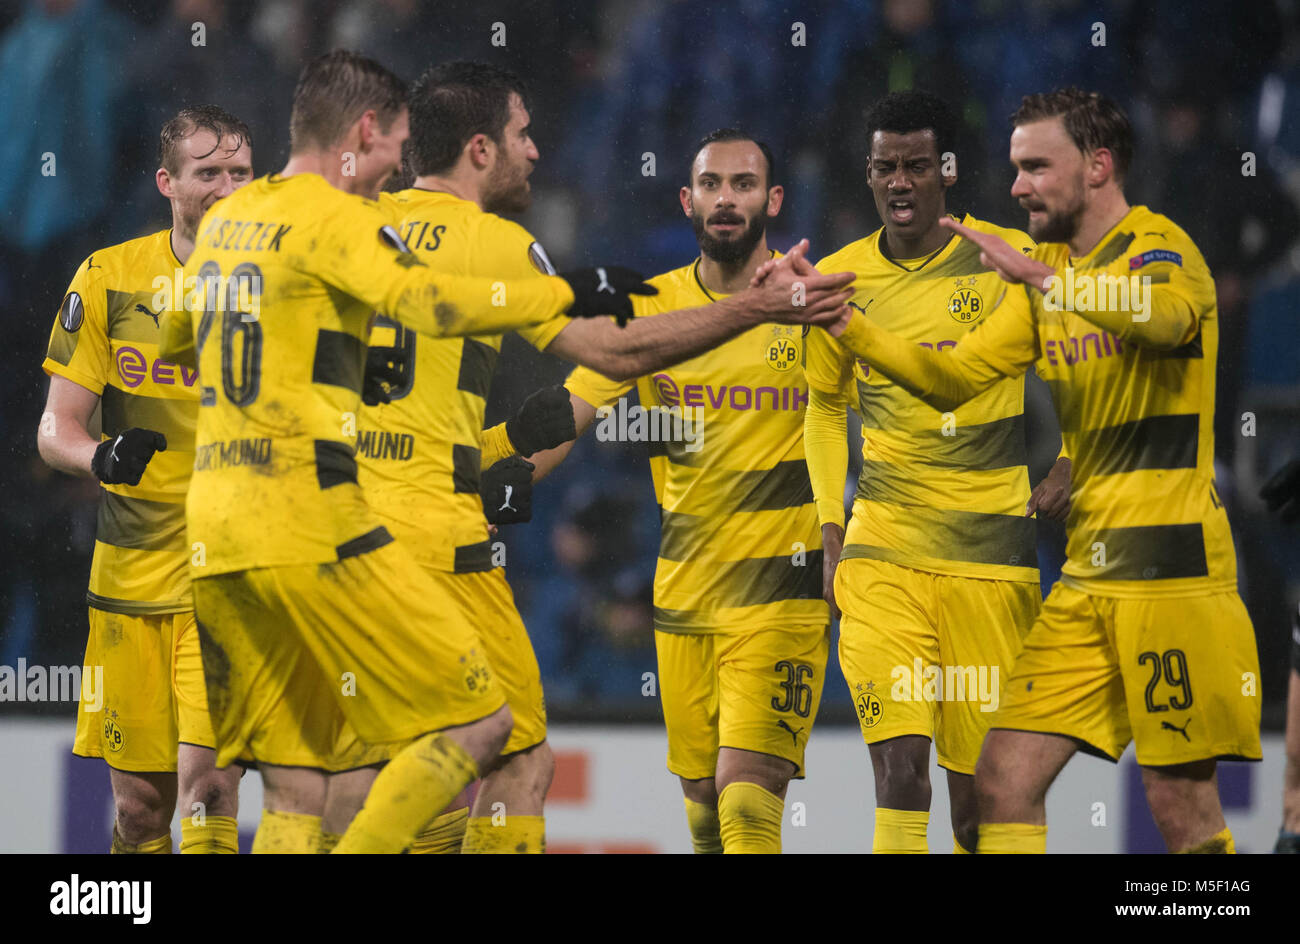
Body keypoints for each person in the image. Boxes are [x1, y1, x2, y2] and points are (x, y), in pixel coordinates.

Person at [325, 63, 854, 854]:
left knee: (390, 761)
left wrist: (502, 458)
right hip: (448, 539)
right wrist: (757, 308)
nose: (536, 152)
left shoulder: (355, 225)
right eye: (521, 134)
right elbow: (608, 357)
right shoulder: (503, 244)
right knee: (519, 758)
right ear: (479, 149)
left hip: (343, 533)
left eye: (745, 183)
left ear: (773, 200)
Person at [158, 49, 656, 854]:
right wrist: (571, 292)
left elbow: (182, 344)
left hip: (219, 531)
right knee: (493, 740)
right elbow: (432, 301)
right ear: (364, 131)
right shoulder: (354, 223)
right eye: (390, 141)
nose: (396, 162)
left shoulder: (235, 228)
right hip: (339, 528)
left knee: (295, 782)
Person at [792, 88, 1261, 853]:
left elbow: (1167, 319)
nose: (1016, 187)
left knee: (1178, 807)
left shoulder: (1158, 247)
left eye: (1036, 167)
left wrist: (1050, 283)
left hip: (1169, 576)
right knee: (1002, 776)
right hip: (1083, 583)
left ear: (1098, 166)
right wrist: (849, 324)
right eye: (1014, 168)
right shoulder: (1037, 272)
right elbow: (949, 379)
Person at [514, 129, 834, 853]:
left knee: (749, 801)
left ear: (773, 200)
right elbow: (569, 417)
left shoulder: (810, 304)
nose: (728, 199)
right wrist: (477, 483)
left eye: (745, 185)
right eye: (714, 185)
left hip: (784, 593)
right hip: (686, 593)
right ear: (687, 200)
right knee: (704, 805)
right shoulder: (649, 309)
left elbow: (876, 413)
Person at [803, 90, 1068, 854]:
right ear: (868, 175)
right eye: (885, 166)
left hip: (992, 565)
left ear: (947, 172)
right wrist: (829, 526)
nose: (900, 182)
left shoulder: (1004, 261)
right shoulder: (838, 279)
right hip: (884, 552)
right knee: (899, 772)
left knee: (980, 808)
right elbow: (822, 407)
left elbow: (1079, 358)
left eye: (918, 165)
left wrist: (1073, 459)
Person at [38, 105, 254, 854]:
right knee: (138, 813)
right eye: (209, 173)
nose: (227, 186)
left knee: (211, 788)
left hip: (230, 571)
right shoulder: (109, 277)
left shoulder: (286, 285)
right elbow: (55, 427)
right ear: (168, 182)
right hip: (129, 573)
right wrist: (99, 457)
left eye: (240, 172)